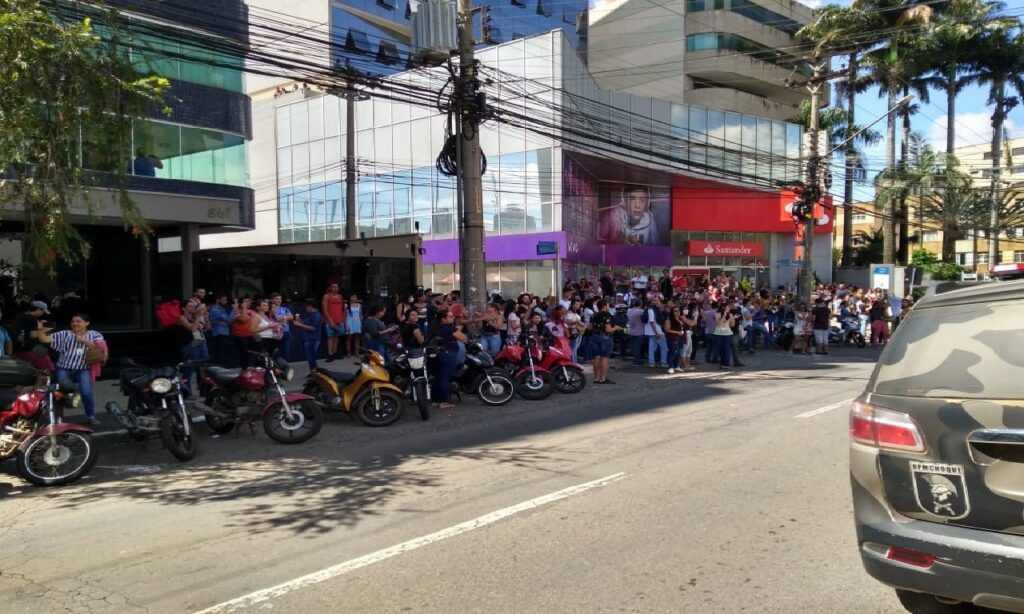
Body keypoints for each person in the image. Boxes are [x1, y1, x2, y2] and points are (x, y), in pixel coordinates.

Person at [39, 314, 104, 426]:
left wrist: (83, 340)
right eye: (73, 321)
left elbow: (99, 348)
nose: (75, 324)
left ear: (87, 323)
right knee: (60, 393)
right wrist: (41, 329)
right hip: (64, 368)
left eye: (79, 321)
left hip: (83, 369)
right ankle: (58, 418)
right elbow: (44, 339)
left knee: (86, 393)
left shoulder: (95, 335)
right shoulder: (64, 334)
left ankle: (91, 417)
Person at [429, 309, 465, 410]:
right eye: (450, 317)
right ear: (443, 319)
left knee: (438, 378)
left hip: (437, 354)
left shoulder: (434, 327)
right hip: (449, 354)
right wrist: (460, 331)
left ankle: (435, 400)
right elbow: (463, 338)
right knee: (445, 378)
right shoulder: (450, 328)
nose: (453, 318)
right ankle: (443, 401)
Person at [7, 301, 52, 370]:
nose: (42, 314)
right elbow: (32, 335)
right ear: (38, 309)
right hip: (28, 349)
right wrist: (45, 329)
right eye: (43, 312)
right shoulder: (32, 318)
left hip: (16, 348)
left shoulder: (19, 315)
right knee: (48, 367)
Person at [176, 299, 210, 388]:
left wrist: (206, 319)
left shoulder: (194, 317)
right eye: (190, 306)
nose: (193, 308)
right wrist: (198, 316)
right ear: (183, 308)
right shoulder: (182, 318)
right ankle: (187, 390)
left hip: (200, 343)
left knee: (204, 366)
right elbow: (192, 329)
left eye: (193, 306)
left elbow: (207, 328)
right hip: (189, 345)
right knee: (189, 368)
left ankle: (203, 388)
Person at [292, 300, 323, 373]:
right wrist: (300, 321)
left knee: (311, 357)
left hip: (313, 339)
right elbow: (307, 323)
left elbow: (313, 328)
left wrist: (300, 325)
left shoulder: (317, 315)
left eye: (306, 307)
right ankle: (313, 372)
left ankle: (315, 372)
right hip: (307, 338)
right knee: (310, 357)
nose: (305, 308)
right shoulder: (310, 314)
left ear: (311, 306)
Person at [589, 299, 616, 384]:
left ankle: (596, 377)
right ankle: (603, 378)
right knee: (604, 357)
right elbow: (608, 329)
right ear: (605, 306)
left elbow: (590, 327)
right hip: (605, 337)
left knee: (597, 356)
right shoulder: (607, 315)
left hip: (595, 336)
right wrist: (616, 328)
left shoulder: (594, 315)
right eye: (607, 305)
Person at [208, 293, 236, 367]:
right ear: (218, 300)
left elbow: (229, 321)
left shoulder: (222, 309)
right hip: (219, 334)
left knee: (225, 354)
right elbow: (229, 319)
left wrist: (227, 322)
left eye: (226, 300)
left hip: (225, 333)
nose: (225, 301)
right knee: (221, 355)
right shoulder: (215, 309)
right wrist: (234, 310)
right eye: (223, 300)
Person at [321, 283, 346, 362]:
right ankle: (330, 354)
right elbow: (324, 309)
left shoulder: (340, 296)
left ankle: (335, 353)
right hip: (330, 320)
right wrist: (330, 320)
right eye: (333, 287)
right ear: (330, 288)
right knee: (330, 337)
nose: (335, 288)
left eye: (336, 287)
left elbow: (342, 309)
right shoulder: (326, 296)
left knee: (337, 336)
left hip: (339, 319)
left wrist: (343, 320)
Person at [231, 297, 257, 366]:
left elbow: (257, 319)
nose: (248, 303)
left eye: (249, 301)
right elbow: (243, 319)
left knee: (251, 354)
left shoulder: (252, 311)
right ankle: (242, 369)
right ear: (241, 303)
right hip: (240, 336)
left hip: (250, 335)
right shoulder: (237, 311)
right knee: (243, 354)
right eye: (245, 301)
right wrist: (244, 309)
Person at [644, 298, 669, 367]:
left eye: (657, 300)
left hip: (651, 332)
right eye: (655, 300)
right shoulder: (652, 310)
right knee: (664, 347)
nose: (657, 302)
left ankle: (651, 362)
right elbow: (652, 322)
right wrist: (656, 332)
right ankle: (663, 362)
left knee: (651, 347)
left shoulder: (650, 309)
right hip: (657, 331)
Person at [271, 293, 294, 361]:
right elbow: (275, 318)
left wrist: (282, 317)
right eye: (277, 299)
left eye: (280, 298)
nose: (279, 300)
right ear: (271, 300)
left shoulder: (285, 308)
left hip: (285, 332)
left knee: (285, 351)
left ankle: (285, 368)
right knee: (275, 352)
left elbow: (291, 317)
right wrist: (285, 317)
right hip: (275, 333)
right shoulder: (269, 309)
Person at [713, 304, 735, 370]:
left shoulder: (730, 314)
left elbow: (732, 325)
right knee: (720, 349)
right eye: (728, 307)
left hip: (727, 333)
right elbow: (718, 324)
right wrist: (724, 315)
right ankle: (722, 363)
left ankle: (726, 364)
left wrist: (732, 318)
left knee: (726, 349)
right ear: (723, 307)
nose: (729, 308)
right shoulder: (717, 314)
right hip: (718, 333)